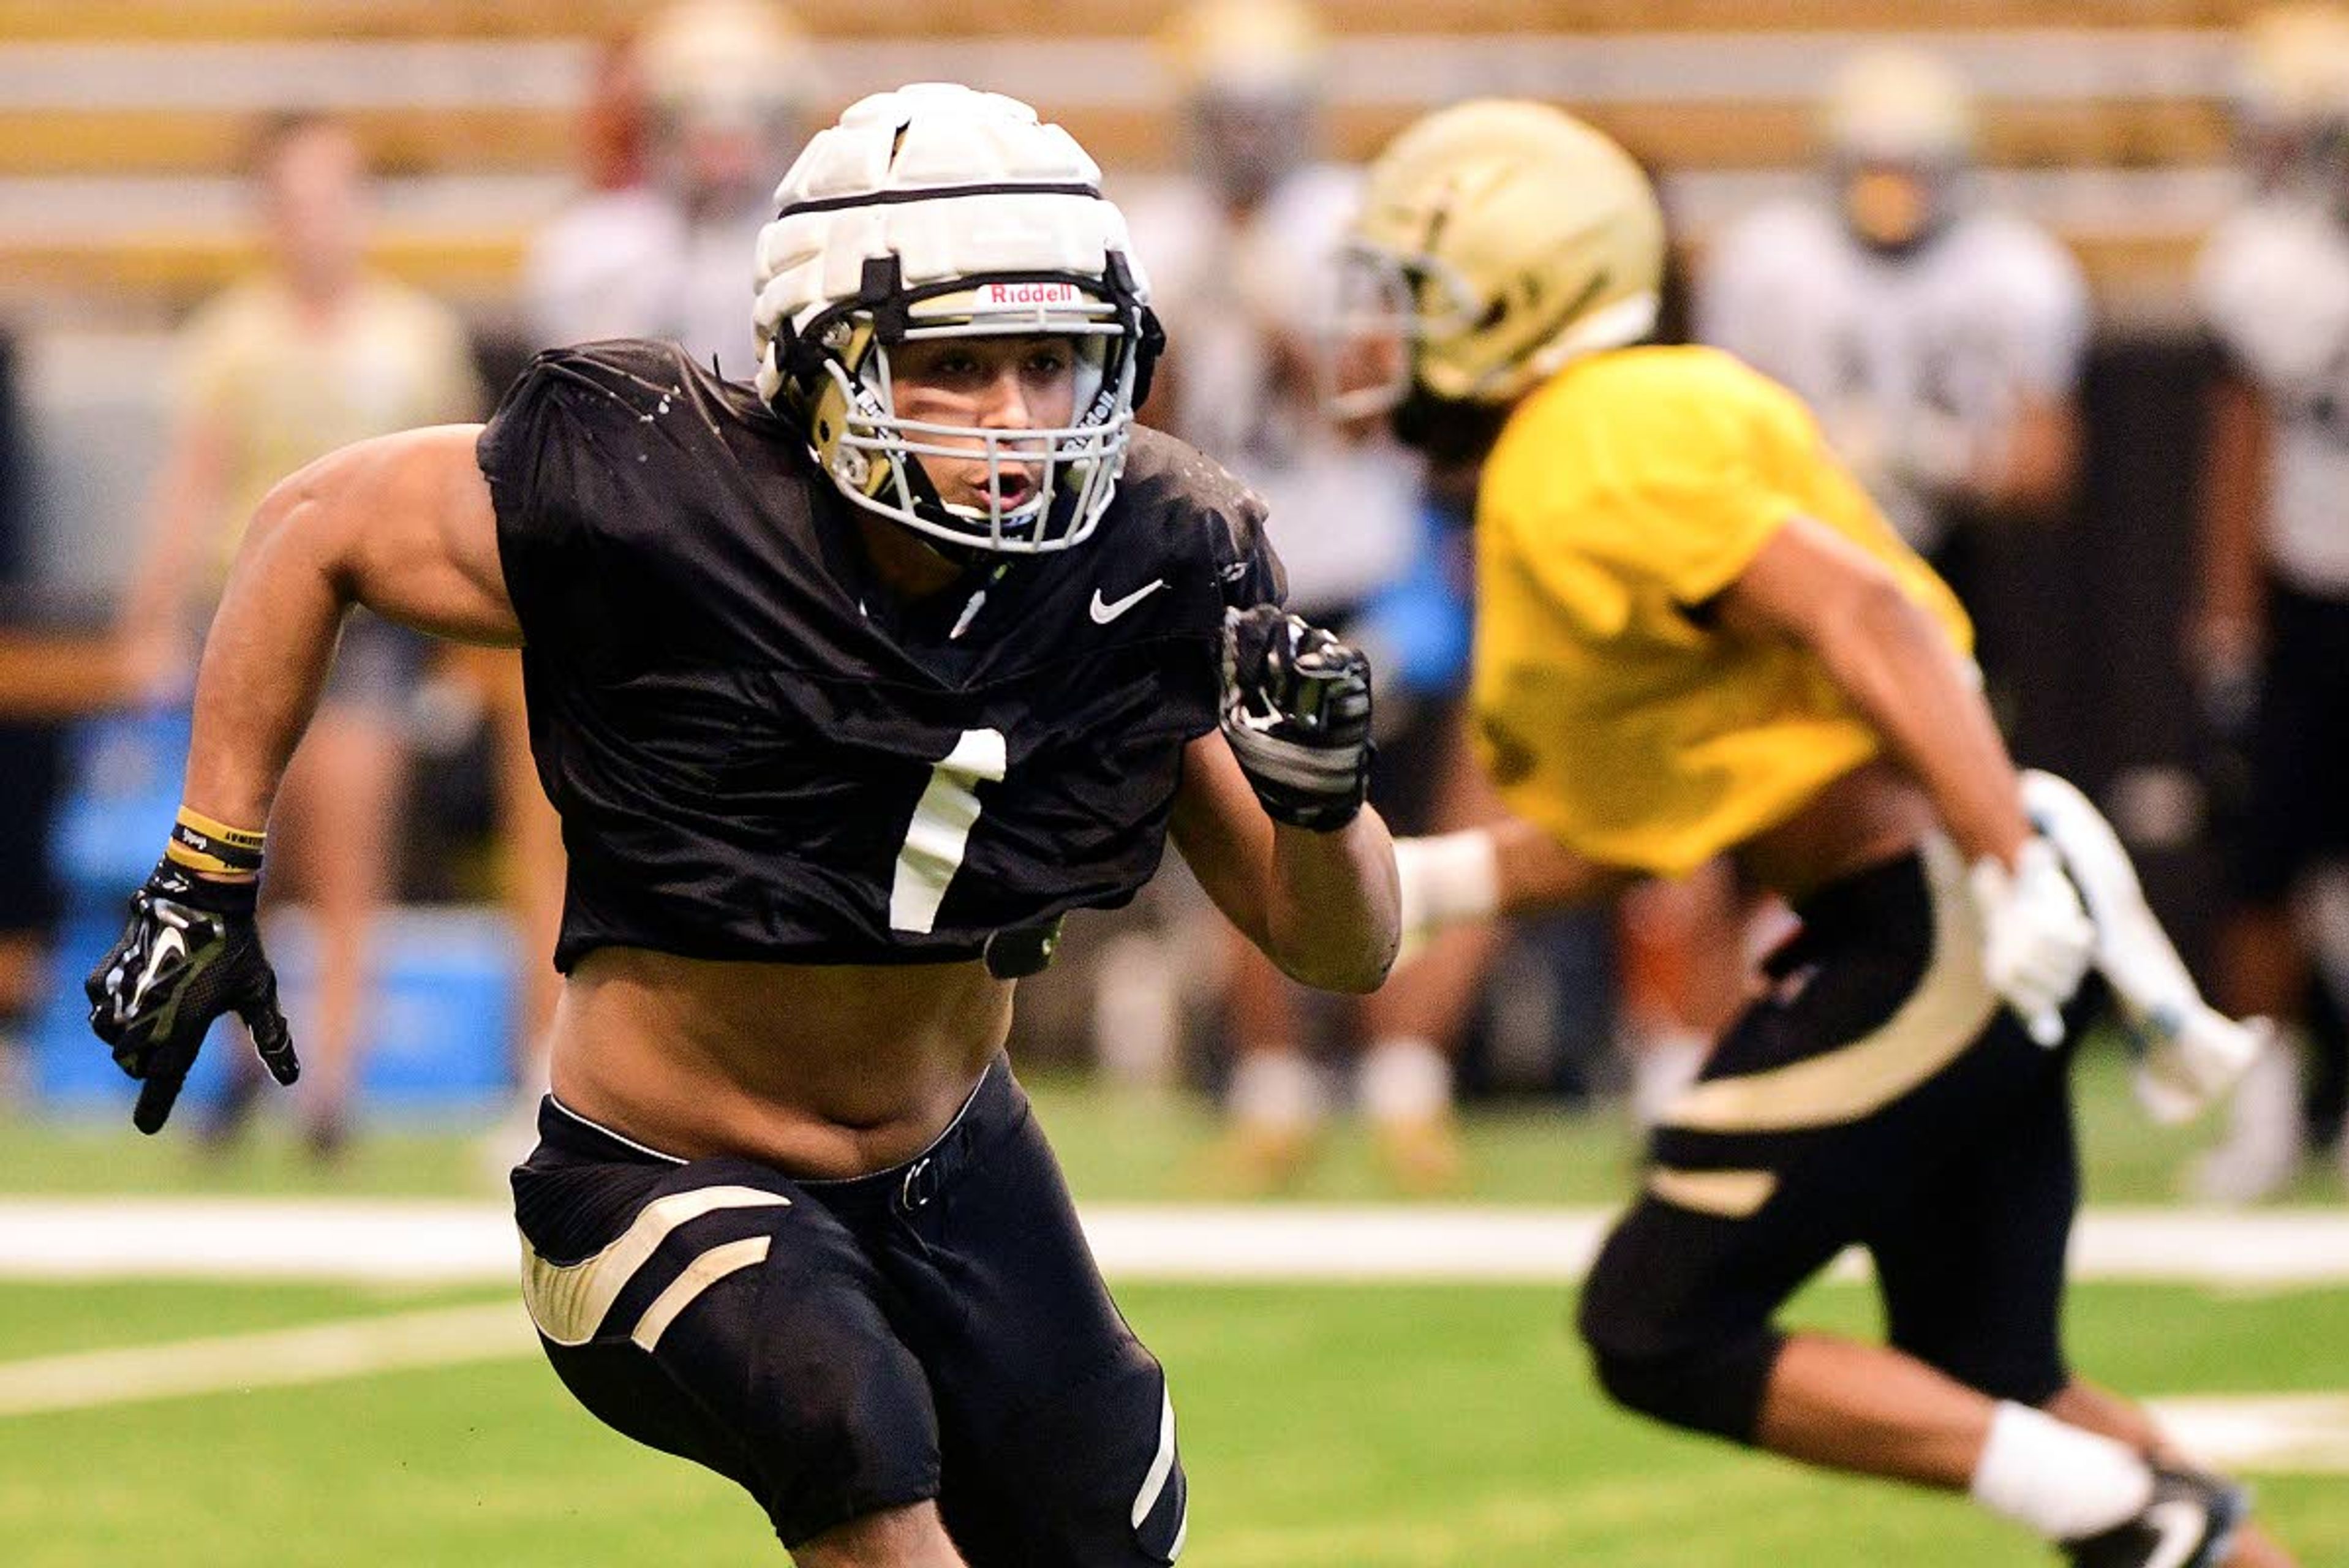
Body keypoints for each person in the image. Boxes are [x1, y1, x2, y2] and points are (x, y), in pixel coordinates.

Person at [86, 83, 1398, 1566]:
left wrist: (1325, 802)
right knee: (857, 1437)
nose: (1017, 420)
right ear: (822, 358)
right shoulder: (656, 494)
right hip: (657, 1168)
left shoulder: (1154, 556)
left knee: (1110, 1521)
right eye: (958, 363)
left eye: (1054, 361)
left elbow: (1336, 945)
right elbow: (309, 523)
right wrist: (207, 869)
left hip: (952, 1157)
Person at [1330, 100, 2287, 1567]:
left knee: (1656, 1318)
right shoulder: (1576, 458)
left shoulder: (1591, 436)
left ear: (1519, 296)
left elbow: (1864, 613)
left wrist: (2004, 859)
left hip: (1930, 915)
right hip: (1924, 905)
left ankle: (2119, 1503)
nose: (1373, 336)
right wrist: (1394, 879)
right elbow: (1631, 828)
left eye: (1410, 295)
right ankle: (2185, 1531)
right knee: (1992, 1382)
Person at [1123, 0, 1481, 1191]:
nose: (1242, 134)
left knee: (1404, 826)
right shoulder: (1150, 229)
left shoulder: (1350, 221)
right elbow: (1128, 422)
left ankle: (1405, 1078)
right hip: (1224, 565)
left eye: (1261, 109)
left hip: (1362, 561)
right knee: (1238, 821)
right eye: (1224, 109)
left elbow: (1387, 406)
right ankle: (1274, 1086)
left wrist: (1284, 331)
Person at [113, 111, 484, 1156]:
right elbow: (188, 487)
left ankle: (330, 1084)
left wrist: (454, 650)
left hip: (371, 626)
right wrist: (150, 621)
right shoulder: (234, 337)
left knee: (350, 859)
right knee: (233, 853)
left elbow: (457, 500)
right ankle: (230, 1066)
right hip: (242, 616)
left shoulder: (414, 337)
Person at [1694, 45, 2088, 722]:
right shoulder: (1768, 263)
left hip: (1950, 565)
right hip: (1797, 563)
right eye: (1871, 167)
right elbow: (1712, 449)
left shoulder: (2015, 272)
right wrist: (1818, 463)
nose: (1889, 192)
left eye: (1911, 169)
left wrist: (1948, 460)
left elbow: (2044, 469)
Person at [2187, 1, 2349, 1202]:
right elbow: (2238, 445)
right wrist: (2231, 613)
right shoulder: (2264, 264)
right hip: (2307, 595)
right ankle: (2271, 1104)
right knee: (2266, 858)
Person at [521, 0, 818, 379]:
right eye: (698, 121)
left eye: (754, 119)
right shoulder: (589, 247)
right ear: (660, 124)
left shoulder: (812, 250)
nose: (726, 152)